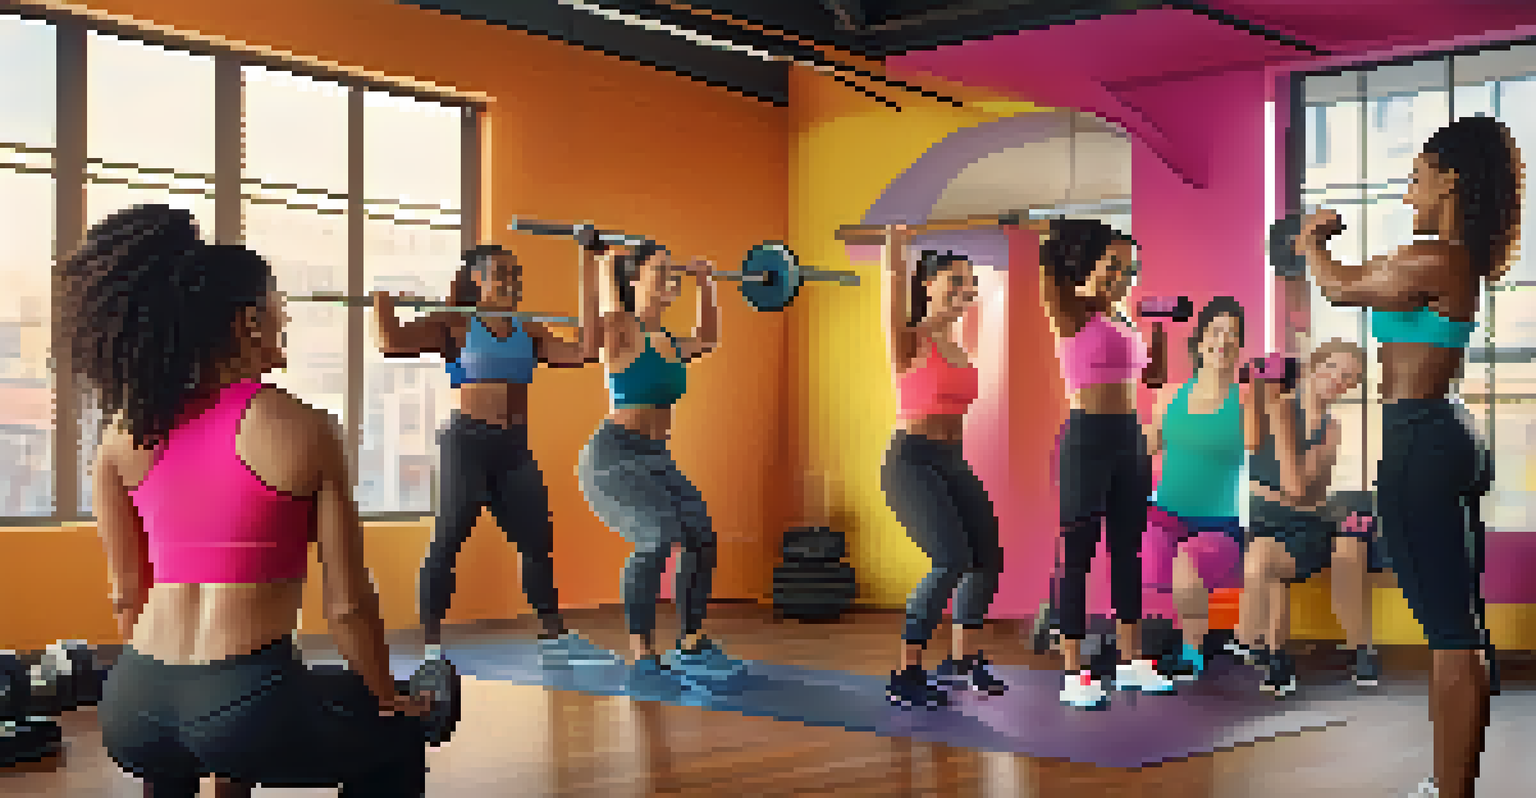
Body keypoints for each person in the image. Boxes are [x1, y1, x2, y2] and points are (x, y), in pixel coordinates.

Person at [69, 205, 431, 797]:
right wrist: (389, 697)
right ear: (248, 323)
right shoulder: (306, 428)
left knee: (196, 742)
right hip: (244, 698)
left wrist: (184, 698)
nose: (284, 320)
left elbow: (126, 594)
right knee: (393, 739)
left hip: (135, 702)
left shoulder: (125, 432)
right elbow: (347, 606)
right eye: (277, 308)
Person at [1299, 114, 1519, 798]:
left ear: (1450, 180)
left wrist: (1309, 241)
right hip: (1443, 432)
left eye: (1416, 178)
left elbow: (1338, 285)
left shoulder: (1438, 257)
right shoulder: (1447, 260)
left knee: (1451, 634)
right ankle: (1449, 782)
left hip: (1421, 438)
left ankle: (1451, 791)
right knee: (1460, 626)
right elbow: (1362, 282)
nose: (1407, 194)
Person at [372, 243, 614, 667]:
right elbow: (391, 343)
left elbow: (586, 352)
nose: (511, 281)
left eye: (516, 274)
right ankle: (431, 646)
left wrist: (588, 265)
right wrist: (383, 303)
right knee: (448, 542)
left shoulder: (530, 330)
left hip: (513, 449)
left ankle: (554, 637)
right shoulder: (455, 325)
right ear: (476, 280)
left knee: (538, 542)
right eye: (501, 273)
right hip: (466, 444)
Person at [576, 239, 746, 693]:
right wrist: (604, 265)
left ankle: (690, 641)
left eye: (674, 270)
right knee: (655, 539)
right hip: (614, 458)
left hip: (656, 458)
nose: (671, 278)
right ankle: (643, 655)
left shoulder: (670, 342)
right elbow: (609, 309)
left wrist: (708, 284)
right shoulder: (621, 332)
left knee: (700, 537)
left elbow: (709, 338)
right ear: (635, 281)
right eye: (661, 270)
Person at [1038, 217, 1177, 709]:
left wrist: (1158, 330)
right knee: (1076, 553)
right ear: (1093, 262)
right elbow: (1050, 267)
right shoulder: (1071, 308)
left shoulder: (1124, 318)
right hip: (1087, 440)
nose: (1124, 273)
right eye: (1115, 263)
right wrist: (1057, 234)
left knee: (1128, 551)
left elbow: (1155, 378)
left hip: (1128, 439)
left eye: (1130, 266)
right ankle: (1075, 669)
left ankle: (1131, 659)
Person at [878, 227, 1007, 710]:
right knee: (950, 560)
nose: (963, 291)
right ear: (927, 285)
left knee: (986, 559)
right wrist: (896, 248)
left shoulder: (958, 345)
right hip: (911, 462)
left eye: (968, 283)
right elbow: (892, 286)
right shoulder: (909, 340)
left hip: (953, 462)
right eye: (953, 282)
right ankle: (906, 672)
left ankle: (961, 661)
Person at [1234, 340, 1379, 697]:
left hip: (1306, 526)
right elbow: (1249, 451)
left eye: (1348, 378)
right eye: (1332, 368)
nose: (1337, 380)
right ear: (1314, 366)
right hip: (1265, 522)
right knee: (1260, 564)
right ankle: (1272, 654)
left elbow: (1297, 488)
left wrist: (1281, 426)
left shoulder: (1329, 429)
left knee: (1272, 562)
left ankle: (1267, 650)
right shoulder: (1269, 407)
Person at [1142, 297, 1259, 681]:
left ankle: (1191, 655)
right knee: (1129, 546)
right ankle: (1127, 647)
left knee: (1187, 563)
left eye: (1233, 334)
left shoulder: (1245, 398)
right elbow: (1147, 448)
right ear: (1200, 339)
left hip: (1218, 523)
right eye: (1216, 331)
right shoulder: (1170, 394)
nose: (1223, 341)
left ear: (1240, 346)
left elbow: (1258, 449)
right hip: (1166, 514)